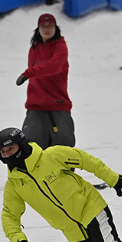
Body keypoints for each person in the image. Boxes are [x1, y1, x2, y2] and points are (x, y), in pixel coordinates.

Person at [15, 13, 75, 149]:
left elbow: (55, 66)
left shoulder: (60, 47)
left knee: (63, 143)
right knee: (31, 145)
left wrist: (28, 73)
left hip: (58, 103)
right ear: (38, 28)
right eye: (43, 26)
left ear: (56, 28)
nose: (47, 29)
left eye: (50, 26)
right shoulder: (34, 48)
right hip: (36, 105)